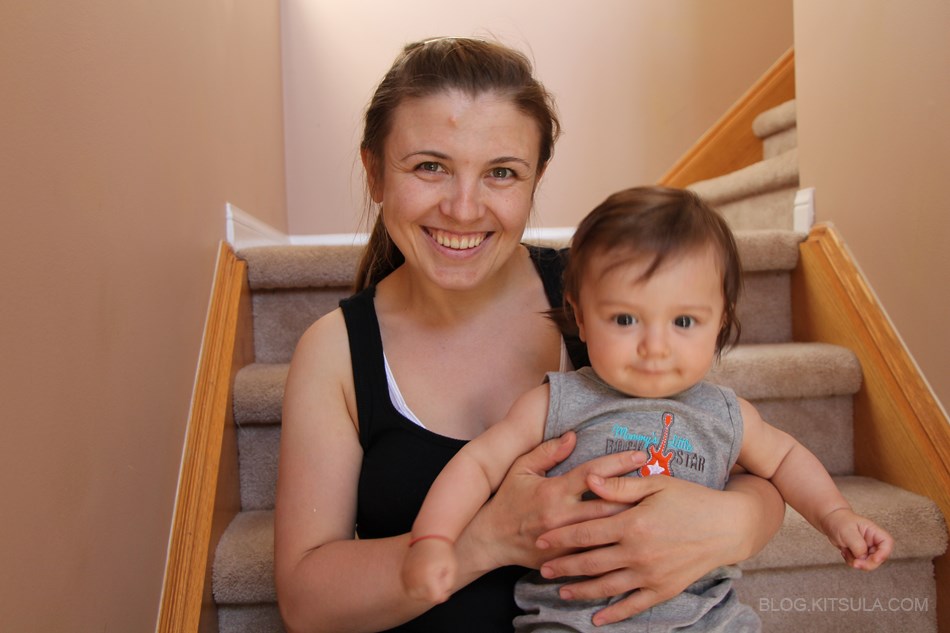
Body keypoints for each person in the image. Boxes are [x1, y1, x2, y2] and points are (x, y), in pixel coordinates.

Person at [274, 37, 787, 633]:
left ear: (536, 178)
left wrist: (737, 524)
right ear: (375, 172)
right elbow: (306, 601)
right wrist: (485, 541)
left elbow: (733, 446)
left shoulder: (604, 299)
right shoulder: (337, 352)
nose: (463, 208)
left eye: (501, 173)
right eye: (430, 167)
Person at [401, 186, 894, 631]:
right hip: (575, 619)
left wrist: (836, 516)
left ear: (720, 321)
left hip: (705, 618)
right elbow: (478, 463)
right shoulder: (558, 401)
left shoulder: (726, 414)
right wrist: (434, 540)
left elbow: (785, 459)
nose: (654, 347)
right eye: (625, 319)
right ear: (580, 317)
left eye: (684, 321)